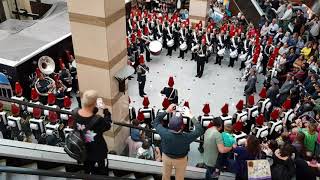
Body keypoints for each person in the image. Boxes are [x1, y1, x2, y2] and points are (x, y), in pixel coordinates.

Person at [152, 104, 204, 180]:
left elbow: (155, 122)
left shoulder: (164, 133)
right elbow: (200, 130)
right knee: (179, 177)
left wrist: (167, 111)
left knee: (165, 176)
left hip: (166, 157)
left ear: (169, 124)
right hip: (181, 160)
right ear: (182, 127)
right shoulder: (187, 137)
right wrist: (190, 115)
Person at [73, 90, 112, 175]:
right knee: (102, 169)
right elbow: (108, 125)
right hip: (98, 150)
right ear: (95, 104)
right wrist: (106, 111)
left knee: (87, 167)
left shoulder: (75, 113)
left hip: (83, 148)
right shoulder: (98, 120)